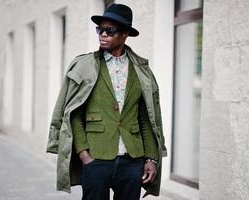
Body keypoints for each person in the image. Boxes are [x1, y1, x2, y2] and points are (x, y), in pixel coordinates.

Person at [46, 3, 167, 200]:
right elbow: (74, 114)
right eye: (99, 29)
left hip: (132, 159)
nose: (103, 34)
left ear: (125, 34)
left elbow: (148, 118)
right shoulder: (85, 66)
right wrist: (84, 154)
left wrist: (151, 158)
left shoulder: (141, 70)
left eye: (109, 30)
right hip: (96, 157)